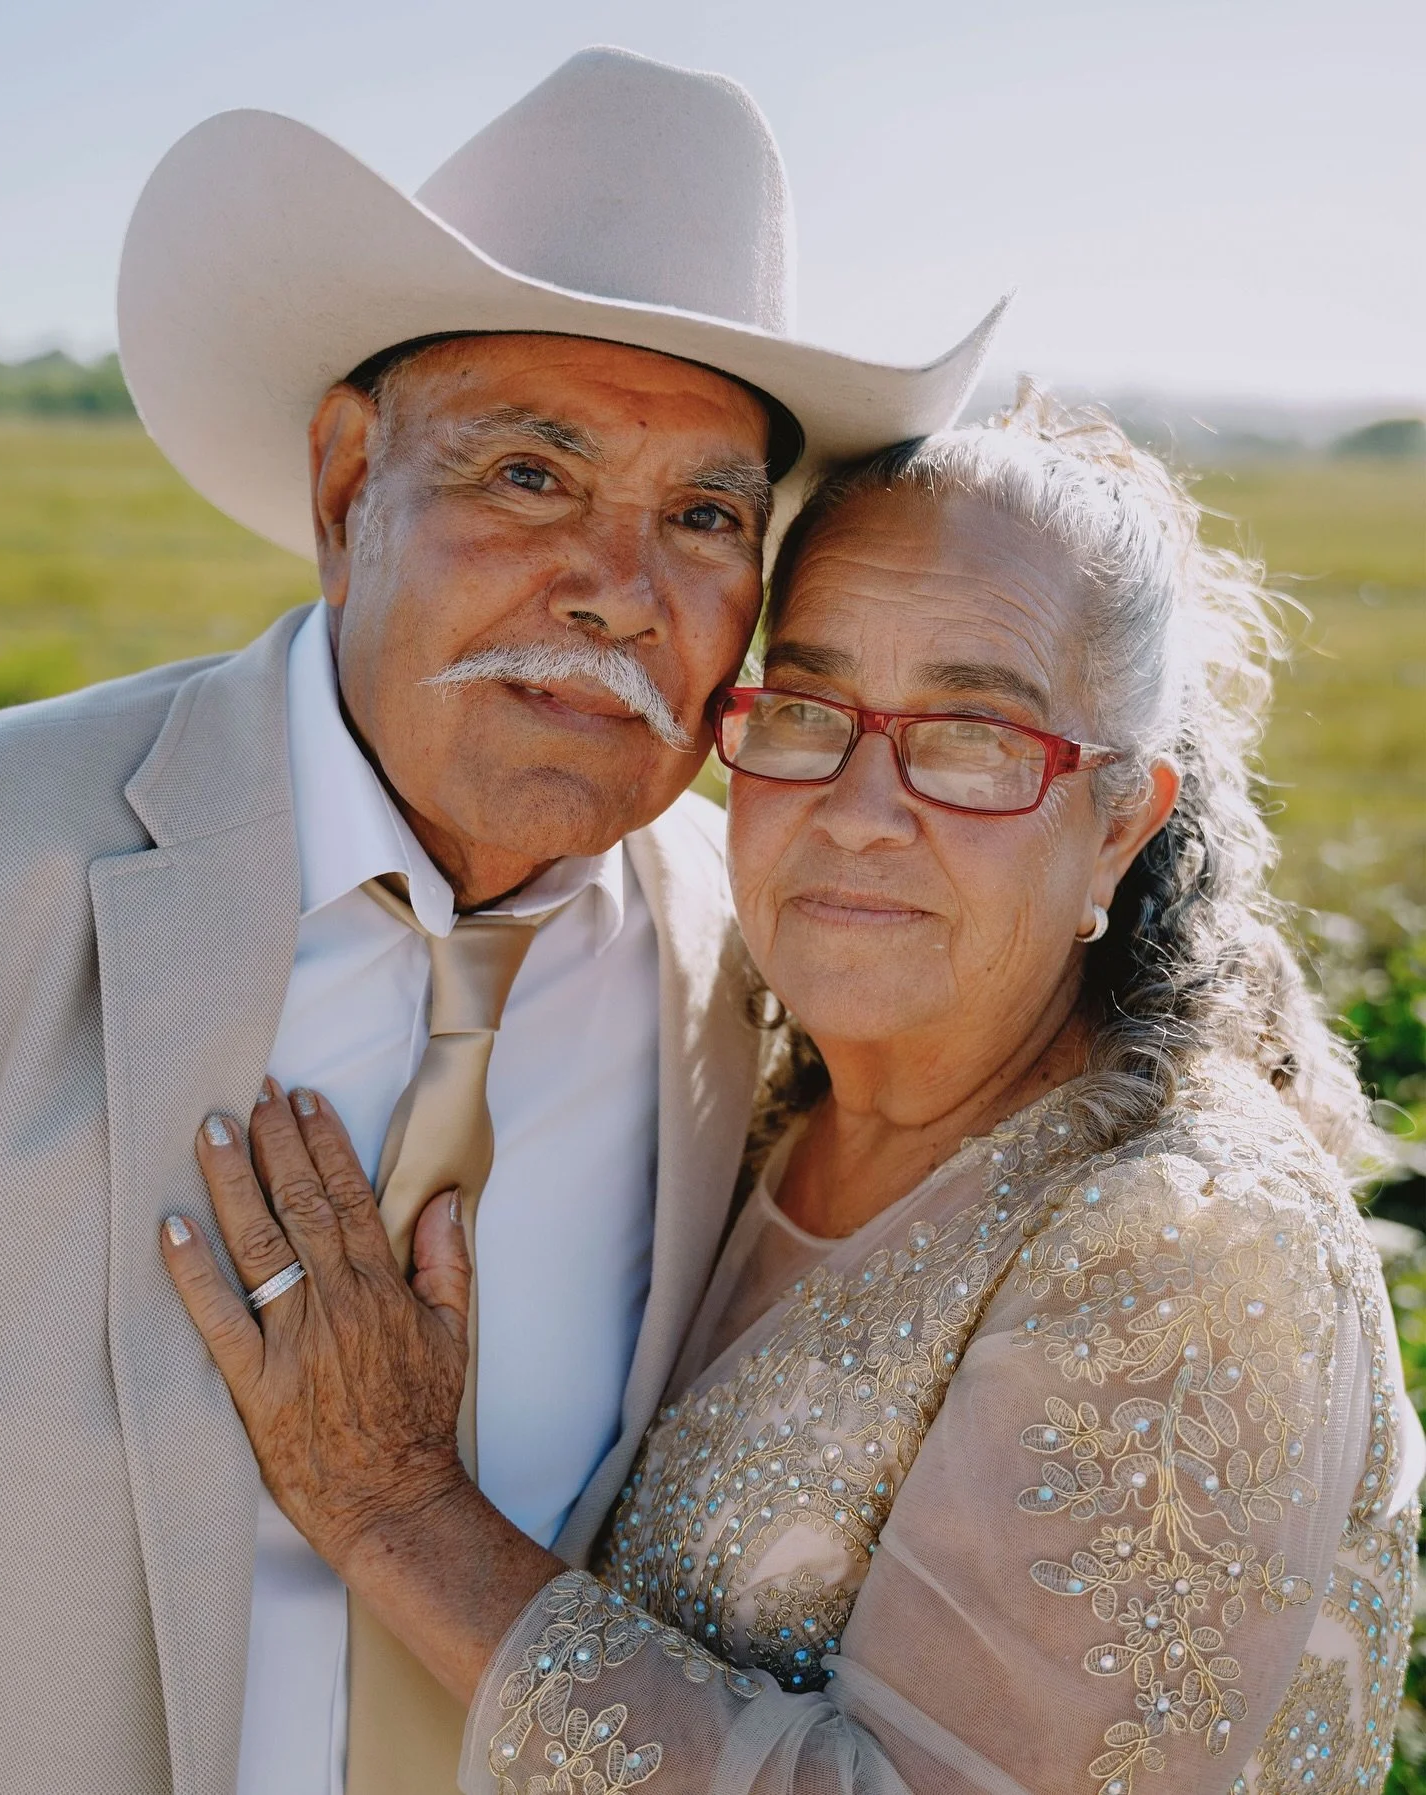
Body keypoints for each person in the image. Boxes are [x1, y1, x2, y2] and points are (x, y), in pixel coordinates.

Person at [0, 46, 1007, 1795]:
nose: (619, 583)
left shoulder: (751, 968)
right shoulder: (15, 859)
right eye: (531, 475)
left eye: (704, 515)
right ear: (341, 487)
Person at [169, 389, 1424, 1794]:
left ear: (1118, 822)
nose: (861, 806)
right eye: (811, 706)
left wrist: (394, 1502)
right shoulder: (757, 1083)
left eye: (973, 736)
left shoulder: (1192, 1237)